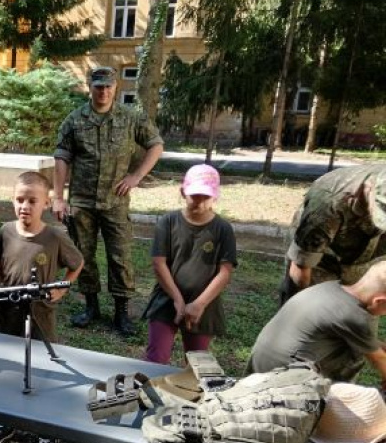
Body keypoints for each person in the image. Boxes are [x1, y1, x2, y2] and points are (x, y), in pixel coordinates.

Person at [52, 66, 164, 336]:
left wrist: (136, 176)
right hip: (82, 202)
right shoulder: (75, 120)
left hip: (116, 201)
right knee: (83, 255)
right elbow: (62, 158)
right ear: (90, 87)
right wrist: (58, 198)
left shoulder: (131, 118)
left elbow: (156, 144)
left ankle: (121, 312)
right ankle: (91, 307)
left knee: (120, 257)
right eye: (98, 86)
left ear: (116, 88)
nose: (103, 91)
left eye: (108, 87)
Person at [0, 172, 84, 443]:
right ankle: (5, 419)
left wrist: (61, 289)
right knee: (9, 364)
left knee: (43, 367)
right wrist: (4, 283)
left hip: (41, 314)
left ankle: (46, 428)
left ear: (46, 203)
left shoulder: (54, 236)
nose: (24, 206)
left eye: (32, 201)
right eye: (19, 199)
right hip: (9, 311)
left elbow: (77, 263)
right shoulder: (6, 231)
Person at [142, 164, 237, 364]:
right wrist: (177, 299)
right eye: (195, 196)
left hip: (204, 304)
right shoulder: (167, 222)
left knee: (196, 364)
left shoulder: (223, 229)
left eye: (206, 197)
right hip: (166, 299)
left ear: (215, 197)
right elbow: (159, 263)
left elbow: (224, 272)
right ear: (183, 192)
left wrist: (199, 304)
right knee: (155, 358)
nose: (200, 203)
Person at [248, 259, 386, 389]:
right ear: (379, 301)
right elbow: (379, 360)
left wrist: (378, 346)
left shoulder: (331, 288)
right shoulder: (355, 316)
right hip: (280, 377)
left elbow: (364, 341)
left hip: (260, 364)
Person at [280, 164, 386, 304]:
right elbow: (302, 265)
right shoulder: (328, 202)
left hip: (364, 255)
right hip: (322, 256)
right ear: (369, 189)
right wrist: (299, 307)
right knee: (312, 304)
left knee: (356, 306)